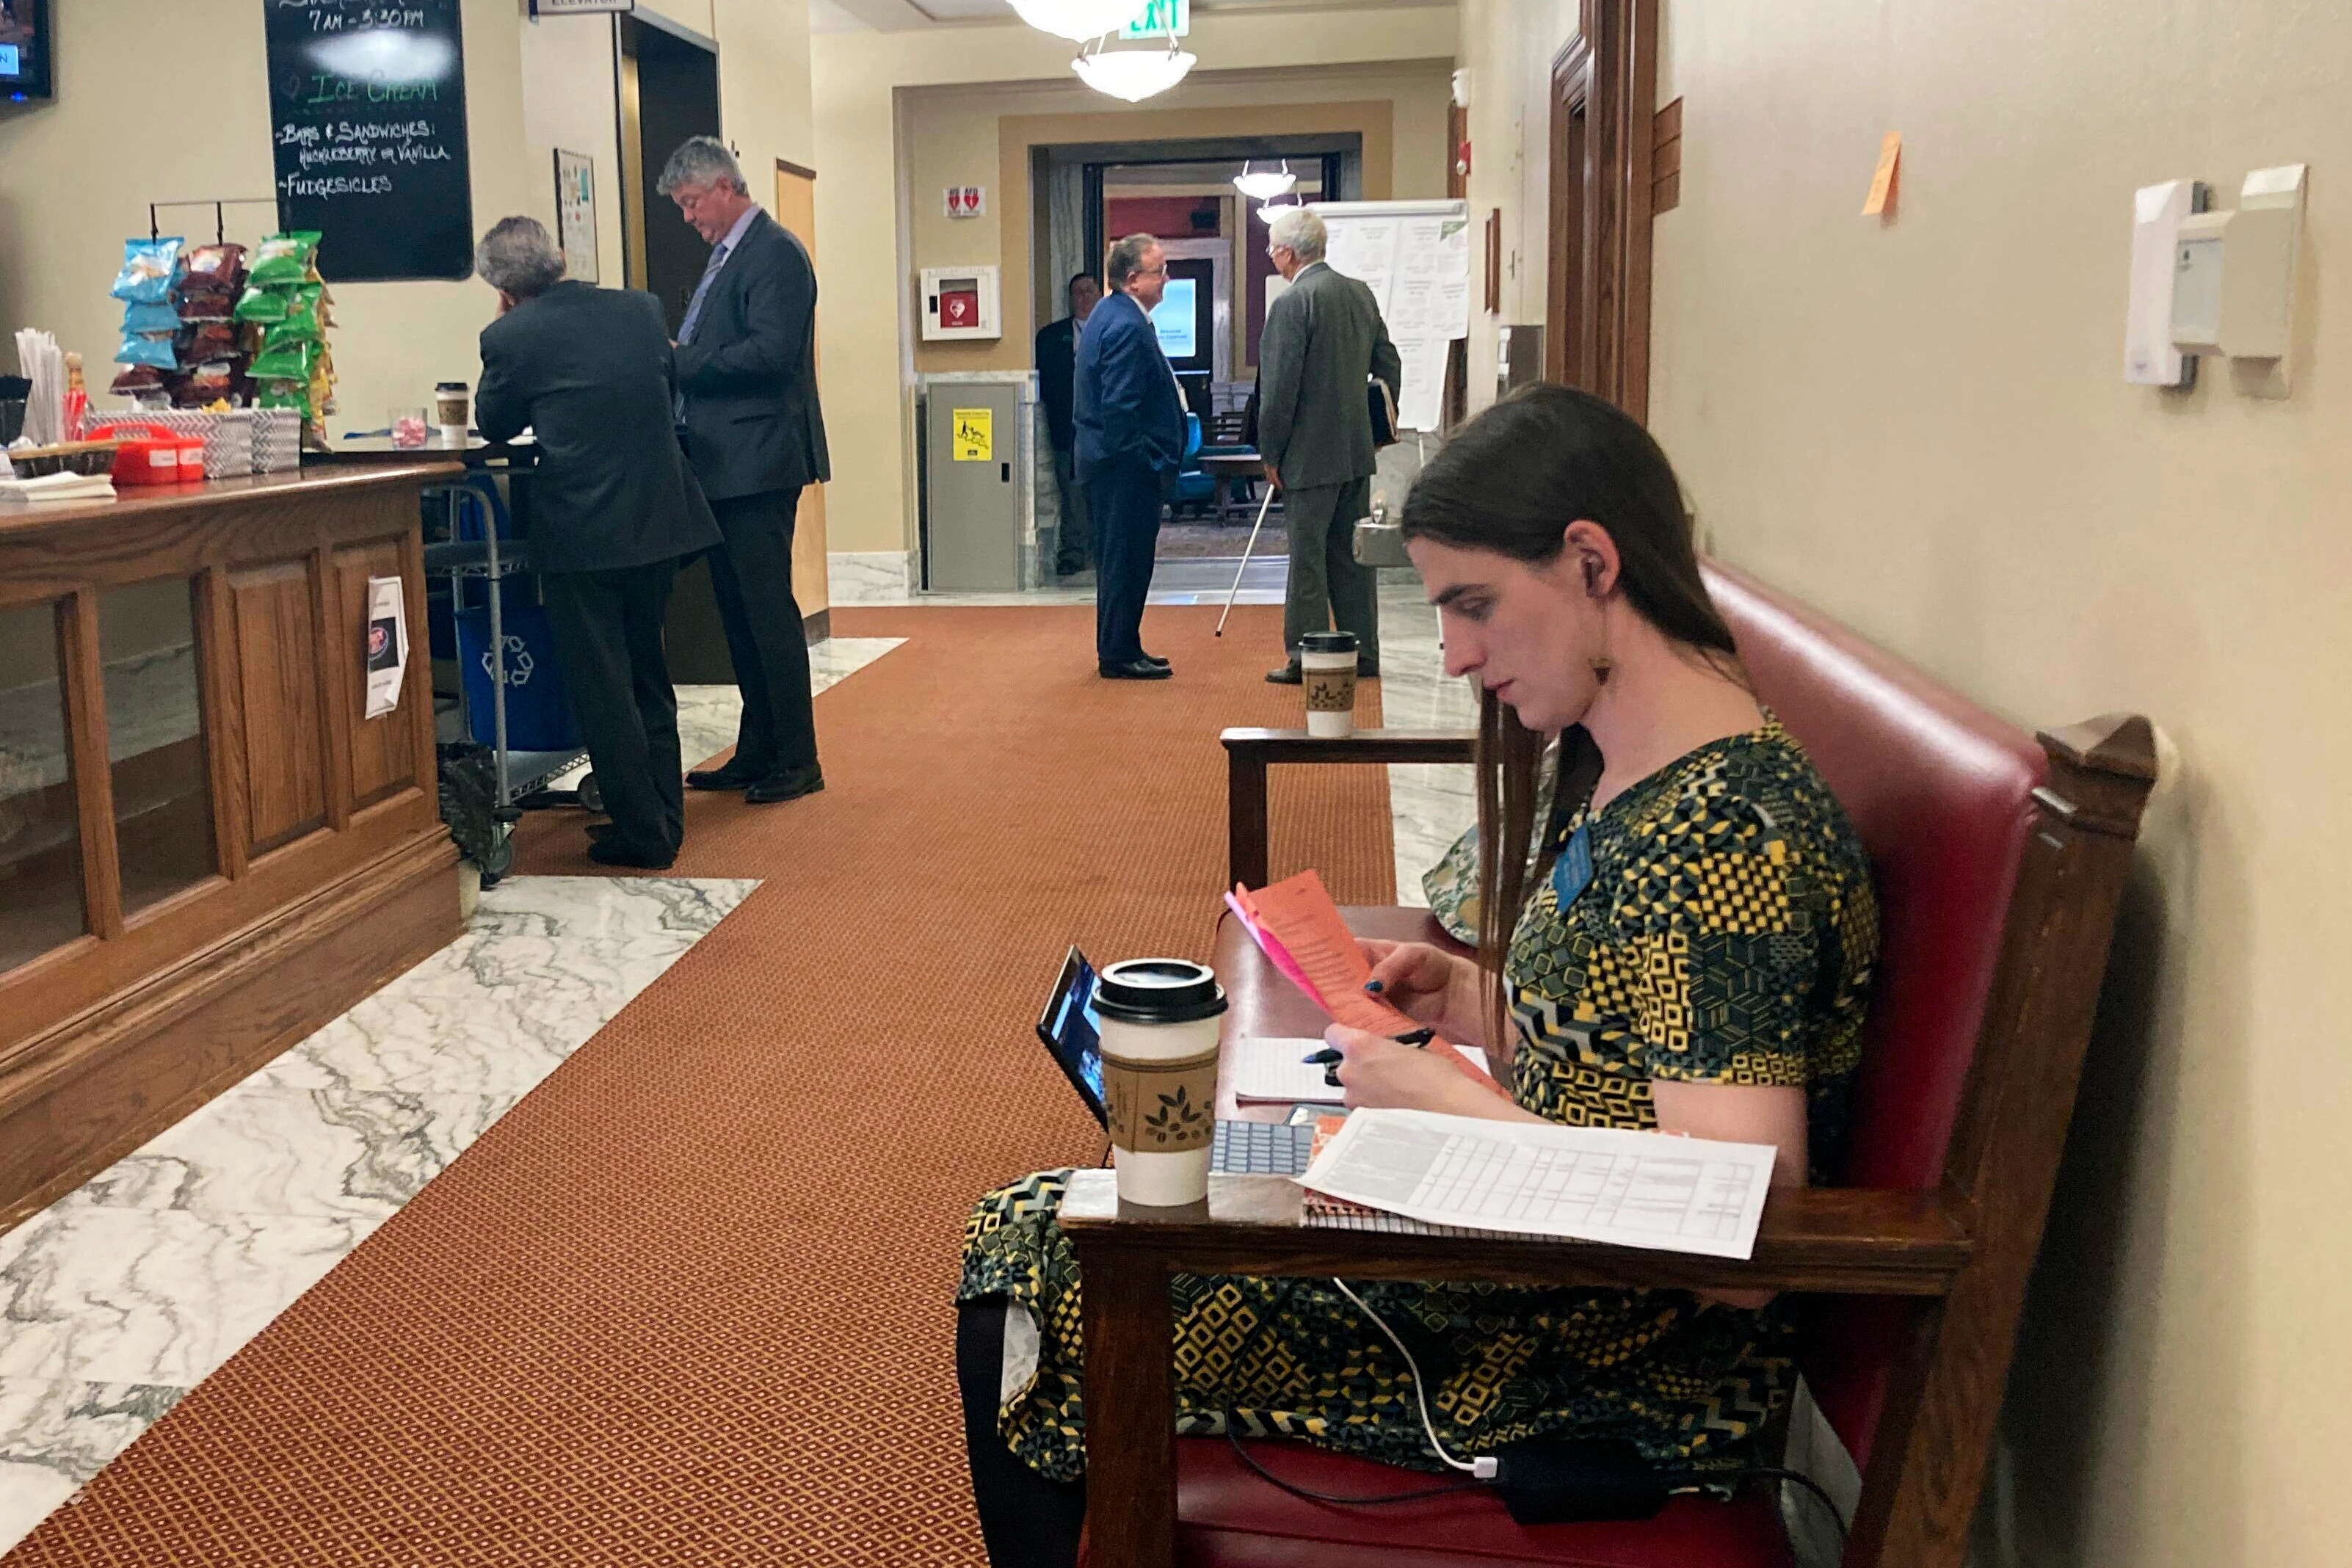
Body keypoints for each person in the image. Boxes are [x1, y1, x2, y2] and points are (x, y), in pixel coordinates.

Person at [954, 385, 1879, 1568]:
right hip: (1521, 1249)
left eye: (1475, 605)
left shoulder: (1727, 837)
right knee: (1196, 1166)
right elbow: (1647, 1049)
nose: (1454, 652)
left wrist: (1448, 1103)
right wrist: (1472, 998)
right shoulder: (1640, 770)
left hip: (1583, 1355)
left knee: (1031, 1249)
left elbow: (1737, 1238)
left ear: (1592, 561)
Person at [473, 217, 721, 872]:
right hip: (658, 518)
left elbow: (494, 422)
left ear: (502, 286)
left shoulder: (510, 335)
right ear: (558, 259)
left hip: (584, 530)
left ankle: (643, 833)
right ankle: (666, 815)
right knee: (647, 672)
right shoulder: (641, 310)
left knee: (602, 685)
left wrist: (511, 327)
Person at [658, 136, 830, 805]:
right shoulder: (729, 255)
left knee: (767, 613)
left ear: (726, 187)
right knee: (739, 614)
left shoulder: (775, 253)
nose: (689, 217)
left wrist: (680, 359)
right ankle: (757, 748)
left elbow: (770, 354)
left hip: (759, 462)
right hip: (726, 463)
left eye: (693, 202)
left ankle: (798, 757)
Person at [1257, 206, 1402, 686]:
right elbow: (1389, 362)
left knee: (1309, 559)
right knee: (1352, 556)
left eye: (1273, 250)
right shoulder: (1358, 293)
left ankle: (1306, 655)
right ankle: (1365, 652)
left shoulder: (1292, 303)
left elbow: (1279, 389)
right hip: (1354, 451)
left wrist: (1271, 453)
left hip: (1306, 457)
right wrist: (1377, 428)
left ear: (1287, 252)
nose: (1273, 259)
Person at [1075, 233, 1186, 681]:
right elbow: (1120, 410)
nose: (1167, 280)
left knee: (1122, 559)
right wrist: (1150, 461)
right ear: (1134, 278)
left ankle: (1124, 644)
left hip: (1112, 467)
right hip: (1124, 471)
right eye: (1160, 271)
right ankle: (1119, 653)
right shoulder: (1125, 325)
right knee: (1125, 559)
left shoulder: (1113, 313)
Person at [1037, 272, 1102, 576]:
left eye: (1090, 291)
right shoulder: (1050, 337)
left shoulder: (1114, 331)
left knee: (1102, 492)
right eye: (1079, 292)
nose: (1085, 297)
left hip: (1105, 431)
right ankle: (1074, 552)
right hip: (1066, 429)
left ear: (1100, 294)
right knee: (1072, 492)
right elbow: (1047, 386)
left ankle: (1101, 551)